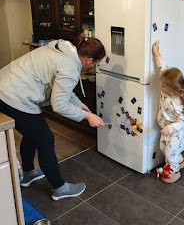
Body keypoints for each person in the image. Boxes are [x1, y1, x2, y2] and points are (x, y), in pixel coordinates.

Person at [0, 35, 106, 200]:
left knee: (32, 134)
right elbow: (59, 105)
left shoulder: (65, 50)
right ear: (90, 60)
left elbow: (60, 87)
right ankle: (59, 188)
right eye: (95, 64)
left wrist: (77, 103)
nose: (93, 67)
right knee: (45, 139)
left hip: (5, 86)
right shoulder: (70, 66)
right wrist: (87, 116)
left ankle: (28, 174)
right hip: (15, 96)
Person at [152, 41, 184, 183]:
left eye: (163, 85)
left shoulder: (178, 103)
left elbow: (182, 122)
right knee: (164, 148)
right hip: (166, 128)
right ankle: (180, 161)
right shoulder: (168, 88)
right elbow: (163, 68)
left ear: (170, 88)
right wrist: (157, 53)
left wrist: (169, 128)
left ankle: (174, 172)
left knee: (169, 152)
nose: (160, 85)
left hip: (174, 131)